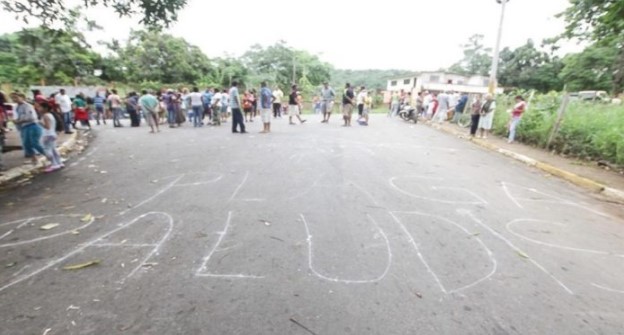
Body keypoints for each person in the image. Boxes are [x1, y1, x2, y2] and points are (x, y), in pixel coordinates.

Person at [11, 92, 49, 166]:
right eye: (13, 98)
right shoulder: (16, 107)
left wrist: (18, 121)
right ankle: (34, 159)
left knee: (35, 143)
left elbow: (30, 117)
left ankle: (49, 156)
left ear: (22, 97)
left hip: (33, 125)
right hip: (24, 127)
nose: (14, 99)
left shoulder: (27, 106)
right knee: (26, 144)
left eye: (16, 97)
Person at [35, 100, 63, 172]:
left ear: (45, 108)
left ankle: (54, 164)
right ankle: (59, 162)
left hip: (47, 134)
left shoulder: (45, 116)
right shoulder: (51, 115)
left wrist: (40, 123)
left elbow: (47, 127)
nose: (38, 108)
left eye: (40, 107)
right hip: (52, 134)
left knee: (47, 149)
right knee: (53, 149)